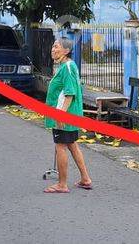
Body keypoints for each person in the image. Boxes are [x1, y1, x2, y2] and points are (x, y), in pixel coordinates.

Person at [43, 37, 92, 193]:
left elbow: (69, 94)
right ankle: (85, 179)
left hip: (64, 115)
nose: (53, 49)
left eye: (56, 47)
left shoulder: (68, 67)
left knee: (61, 147)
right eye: (53, 46)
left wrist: (61, 115)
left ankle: (62, 184)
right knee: (72, 145)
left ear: (66, 50)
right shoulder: (66, 66)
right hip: (68, 115)